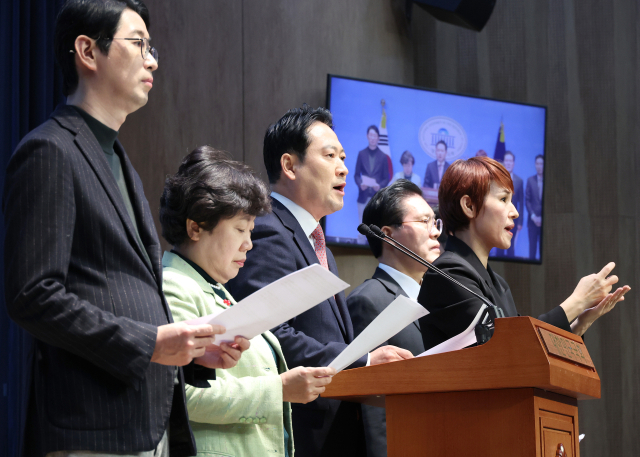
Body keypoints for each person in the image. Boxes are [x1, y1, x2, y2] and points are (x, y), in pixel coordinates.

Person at [3, 1, 248, 456]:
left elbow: (127, 292)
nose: (152, 60)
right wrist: (150, 343)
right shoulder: (49, 151)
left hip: (144, 421)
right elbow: (33, 296)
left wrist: (189, 352)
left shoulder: (118, 159)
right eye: (138, 45)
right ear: (87, 51)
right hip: (89, 425)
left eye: (151, 49)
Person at [226, 105, 413, 457]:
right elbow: (267, 334)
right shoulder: (268, 230)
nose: (344, 167)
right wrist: (364, 360)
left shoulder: (312, 238)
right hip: (300, 435)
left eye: (343, 156)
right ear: (289, 165)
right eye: (330, 156)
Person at [160, 146, 337, 457]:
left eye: (251, 231)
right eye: (240, 229)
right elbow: (181, 395)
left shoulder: (216, 288)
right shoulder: (174, 285)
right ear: (195, 227)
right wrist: (278, 391)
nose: (249, 244)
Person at [418, 157, 630, 351]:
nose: (515, 212)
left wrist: (581, 322)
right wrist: (578, 301)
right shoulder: (446, 274)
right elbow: (505, 348)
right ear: (469, 205)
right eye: (503, 199)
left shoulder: (498, 283)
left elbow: (527, 351)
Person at [347, 180, 441, 457]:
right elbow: (373, 408)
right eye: (425, 221)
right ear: (387, 234)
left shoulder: (438, 299)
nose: (435, 232)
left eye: (436, 222)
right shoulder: (368, 300)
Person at [354, 125, 391, 226]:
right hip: (363, 197)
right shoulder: (361, 154)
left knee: (375, 228)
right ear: (367, 136)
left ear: (378, 137)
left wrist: (380, 186)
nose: (373, 138)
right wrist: (360, 184)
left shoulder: (383, 156)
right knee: (361, 228)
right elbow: (356, 175)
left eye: (375, 136)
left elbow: (386, 178)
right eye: (371, 135)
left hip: (376, 199)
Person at [496, 151, 523, 257]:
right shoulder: (496, 181)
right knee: (499, 249)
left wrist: (520, 222)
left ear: (513, 163)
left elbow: (521, 202)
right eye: (506, 160)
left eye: (510, 161)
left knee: (510, 248)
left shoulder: (519, 181)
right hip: (499, 219)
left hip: (513, 221)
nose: (508, 163)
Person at [525, 154, 544, 259]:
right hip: (532, 222)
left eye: (541, 163)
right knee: (532, 251)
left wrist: (542, 218)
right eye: (537, 163)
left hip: (544, 224)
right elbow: (527, 200)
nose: (539, 166)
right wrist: (533, 216)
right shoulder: (530, 180)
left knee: (544, 252)